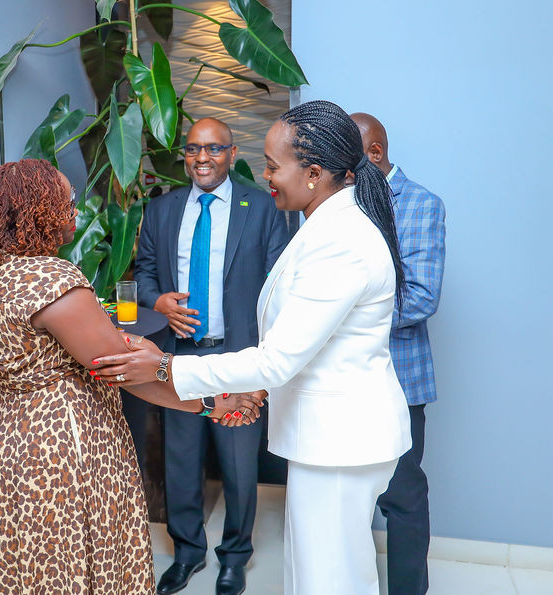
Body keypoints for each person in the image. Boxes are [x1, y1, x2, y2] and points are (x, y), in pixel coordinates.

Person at [93, 100, 413, 595]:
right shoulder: (325, 225)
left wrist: (165, 367)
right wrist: (254, 387)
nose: (265, 177)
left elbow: (280, 356)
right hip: (327, 438)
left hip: (339, 441)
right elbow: (306, 341)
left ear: (313, 174)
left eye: (272, 166)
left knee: (329, 582)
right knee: (318, 576)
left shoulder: (340, 240)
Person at [0, 159, 264, 594]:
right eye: (67, 201)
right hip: (55, 451)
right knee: (64, 565)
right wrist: (211, 402)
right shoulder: (53, 281)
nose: (75, 211)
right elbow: (125, 372)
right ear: (41, 210)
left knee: (13, 564)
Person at [135, 117, 288, 595]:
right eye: (193, 148)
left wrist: (265, 363)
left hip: (237, 357)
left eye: (214, 148)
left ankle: (235, 557)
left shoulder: (261, 207)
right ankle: (187, 553)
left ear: (232, 154)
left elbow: (279, 285)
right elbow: (143, 272)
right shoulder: (162, 210)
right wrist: (158, 301)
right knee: (181, 461)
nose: (202, 158)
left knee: (239, 464)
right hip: (179, 358)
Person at [353, 112, 446, 595]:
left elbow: (422, 296)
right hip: (342, 381)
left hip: (399, 379)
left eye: (345, 157)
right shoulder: (342, 202)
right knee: (348, 499)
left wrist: (341, 317)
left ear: (374, 153)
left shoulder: (422, 204)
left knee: (402, 498)